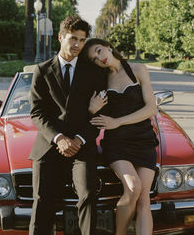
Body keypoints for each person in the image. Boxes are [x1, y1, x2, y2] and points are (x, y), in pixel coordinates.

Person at [29, 16, 107, 235]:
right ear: (61, 37)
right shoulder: (42, 71)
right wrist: (59, 138)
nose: (78, 45)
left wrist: (79, 139)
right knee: (42, 199)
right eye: (73, 38)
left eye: (82, 40)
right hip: (49, 145)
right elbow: (37, 112)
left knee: (88, 194)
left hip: (82, 146)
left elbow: (100, 115)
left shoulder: (94, 73)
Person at [82, 38, 159, 235]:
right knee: (133, 187)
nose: (100, 58)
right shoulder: (100, 82)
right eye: (94, 59)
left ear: (109, 47)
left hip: (144, 139)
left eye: (99, 51)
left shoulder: (138, 70)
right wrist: (91, 110)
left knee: (143, 199)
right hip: (117, 143)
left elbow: (151, 108)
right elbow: (90, 117)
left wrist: (118, 121)